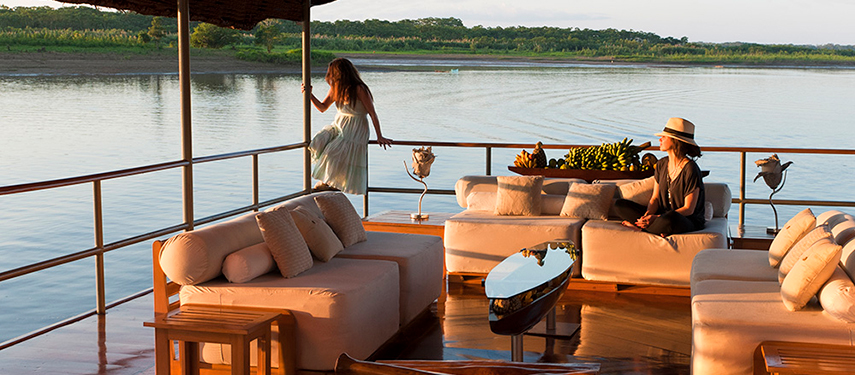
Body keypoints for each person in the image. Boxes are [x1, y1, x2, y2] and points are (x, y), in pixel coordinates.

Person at [302, 58, 392, 195]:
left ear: (340, 73)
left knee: (332, 152)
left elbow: (373, 113)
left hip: (356, 127)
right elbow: (322, 107)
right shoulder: (336, 89)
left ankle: (330, 185)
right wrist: (309, 94)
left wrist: (379, 136)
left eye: (332, 72)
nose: (329, 75)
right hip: (339, 125)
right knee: (319, 141)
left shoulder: (359, 89)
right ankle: (330, 185)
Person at [614, 117, 705, 237]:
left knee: (670, 218)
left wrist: (656, 218)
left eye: (664, 137)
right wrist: (647, 216)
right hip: (661, 215)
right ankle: (652, 228)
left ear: (675, 141)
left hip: (685, 219)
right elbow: (655, 198)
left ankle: (641, 230)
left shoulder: (690, 169)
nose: (660, 139)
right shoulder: (661, 164)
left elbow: (688, 209)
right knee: (619, 205)